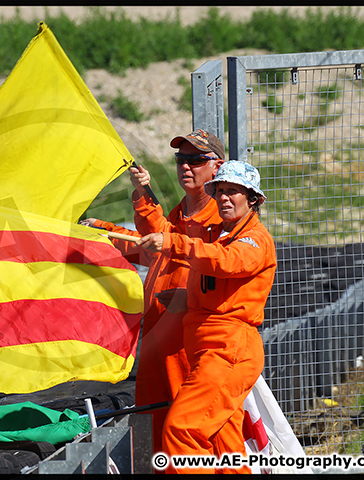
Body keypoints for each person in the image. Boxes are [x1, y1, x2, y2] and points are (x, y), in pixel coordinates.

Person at [80, 129, 226, 459]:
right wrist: (111, 223)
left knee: (188, 432)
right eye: (180, 160)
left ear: (216, 167)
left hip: (188, 343)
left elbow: (224, 273)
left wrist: (187, 300)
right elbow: (153, 243)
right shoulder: (181, 213)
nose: (186, 166)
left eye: (196, 160)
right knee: (155, 426)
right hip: (159, 338)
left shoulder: (220, 217)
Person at [137, 160, 277, 474]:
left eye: (234, 192)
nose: (225, 198)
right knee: (224, 444)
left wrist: (174, 242)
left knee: (182, 431)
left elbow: (228, 263)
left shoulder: (253, 240)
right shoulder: (223, 237)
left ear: (252, 200)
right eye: (221, 191)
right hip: (216, 350)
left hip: (227, 350)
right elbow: (225, 286)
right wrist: (188, 300)